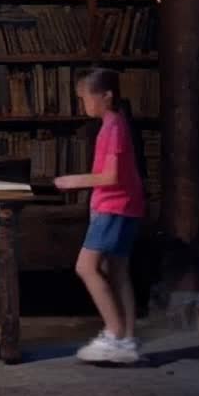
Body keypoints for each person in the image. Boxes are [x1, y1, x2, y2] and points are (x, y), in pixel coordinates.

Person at [54, 67, 145, 364]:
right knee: (119, 273)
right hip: (121, 207)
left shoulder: (114, 127)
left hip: (115, 206)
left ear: (107, 96)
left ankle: (114, 333)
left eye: (86, 98)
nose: (85, 105)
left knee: (86, 267)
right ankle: (128, 341)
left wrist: (73, 181)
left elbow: (110, 177)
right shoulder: (113, 125)